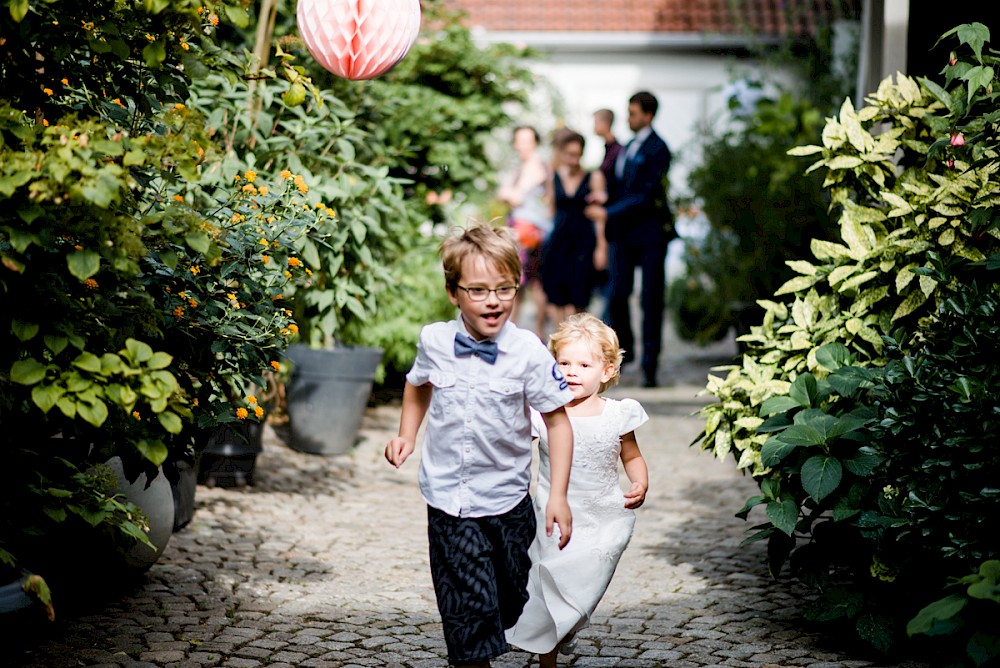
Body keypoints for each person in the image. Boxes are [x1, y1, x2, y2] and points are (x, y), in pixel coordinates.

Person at [385, 224, 575, 668]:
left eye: (504, 289)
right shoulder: (434, 340)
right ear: (453, 292)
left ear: (517, 287)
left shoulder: (528, 351)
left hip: (507, 499)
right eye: (478, 290)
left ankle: (500, 626)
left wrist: (559, 495)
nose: (493, 300)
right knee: (467, 606)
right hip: (448, 498)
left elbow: (558, 422)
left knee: (509, 596)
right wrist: (406, 434)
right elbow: (417, 386)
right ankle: (474, 656)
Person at [506, 312, 649, 667]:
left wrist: (640, 481)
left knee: (588, 580)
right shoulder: (545, 414)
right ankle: (547, 657)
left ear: (607, 370)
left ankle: (569, 621)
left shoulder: (618, 414)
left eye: (584, 364)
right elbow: (520, 454)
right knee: (547, 582)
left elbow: (631, 455)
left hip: (603, 516)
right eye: (564, 362)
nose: (571, 371)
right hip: (553, 512)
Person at [585, 91, 674, 387]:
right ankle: (628, 353)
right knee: (617, 295)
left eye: (633, 113)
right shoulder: (627, 147)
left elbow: (645, 195)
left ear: (648, 115)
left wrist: (607, 213)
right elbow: (623, 187)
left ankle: (650, 365)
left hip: (649, 235)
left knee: (651, 299)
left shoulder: (658, 148)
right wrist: (605, 198)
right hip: (622, 235)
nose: (628, 118)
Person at [540, 130, 608, 324]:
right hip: (558, 242)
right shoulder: (553, 177)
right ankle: (559, 346)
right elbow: (550, 211)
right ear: (562, 154)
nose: (573, 159)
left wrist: (601, 248)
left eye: (577, 155)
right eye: (569, 154)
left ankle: (579, 342)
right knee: (557, 296)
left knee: (580, 296)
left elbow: (599, 217)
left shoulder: (593, 177)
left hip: (583, 243)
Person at [498, 126, 553, 338]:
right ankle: (514, 330)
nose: (521, 145)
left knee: (527, 283)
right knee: (521, 283)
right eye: (519, 140)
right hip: (522, 230)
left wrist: (508, 192)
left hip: (528, 232)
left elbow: (515, 196)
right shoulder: (523, 165)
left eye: (526, 141)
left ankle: (535, 332)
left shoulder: (535, 166)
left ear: (535, 143)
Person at [592, 108, 622, 189]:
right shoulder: (608, 148)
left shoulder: (617, 151)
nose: (593, 127)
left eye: (596, 122)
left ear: (606, 123)